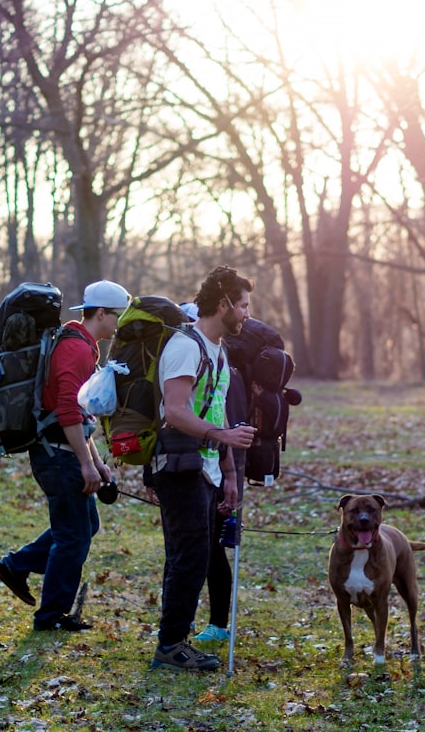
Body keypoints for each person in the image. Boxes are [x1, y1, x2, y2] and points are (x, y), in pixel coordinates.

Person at [0, 280, 128, 631]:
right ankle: (50, 615)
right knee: (73, 537)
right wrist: (85, 463)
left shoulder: (79, 344)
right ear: (101, 313)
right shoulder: (77, 350)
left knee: (84, 527)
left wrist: (98, 464)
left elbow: (82, 417)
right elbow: (67, 411)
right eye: (118, 317)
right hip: (58, 455)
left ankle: (17, 566)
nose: (119, 324)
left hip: (62, 450)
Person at [149, 267, 257, 671]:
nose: (247, 314)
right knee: (188, 557)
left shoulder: (219, 351)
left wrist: (229, 474)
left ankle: (172, 640)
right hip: (178, 464)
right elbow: (174, 411)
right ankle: (171, 644)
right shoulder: (185, 346)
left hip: (206, 467)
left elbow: (216, 410)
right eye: (243, 305)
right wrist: (223, 437)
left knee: (194, 555)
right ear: (224, 303)